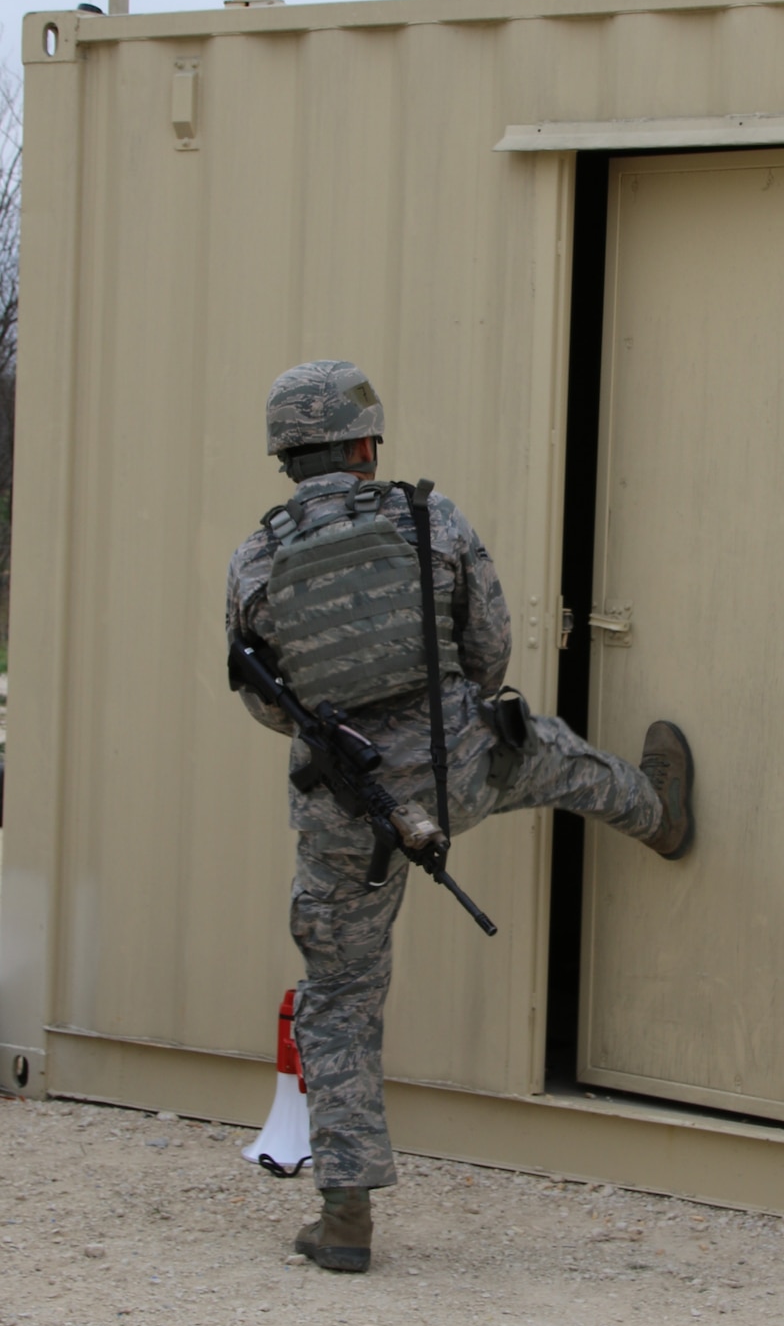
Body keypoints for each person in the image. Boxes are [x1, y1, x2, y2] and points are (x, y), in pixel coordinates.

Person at [226, 359, 695, 1273]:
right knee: (560, 757)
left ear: (286, 454)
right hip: (458, 770)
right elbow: (488, 649)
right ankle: (659, 815)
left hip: (344, 815)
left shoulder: (256, 556)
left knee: (338, 1002)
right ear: (366, 443)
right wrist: (449, 724)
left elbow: (271, 706)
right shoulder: (425, 517)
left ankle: (347, 1215)